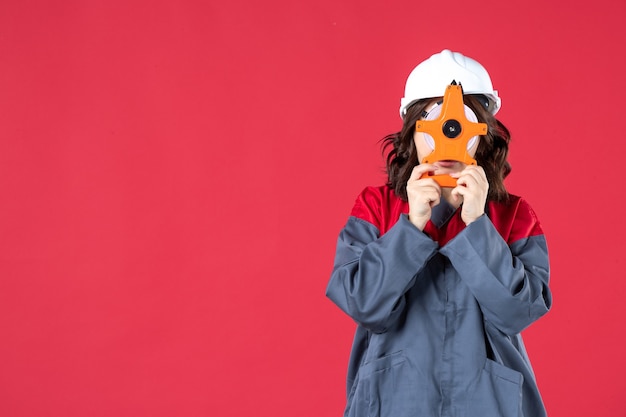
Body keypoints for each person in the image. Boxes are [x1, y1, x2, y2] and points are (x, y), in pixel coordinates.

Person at [325, 49, 552, 417]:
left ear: (484, 133)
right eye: (432, 122)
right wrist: (411, 227)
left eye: (461, 123)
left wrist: (478, 224)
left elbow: (518, 312)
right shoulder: (375, 207)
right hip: (393, 400)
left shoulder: (514, 215)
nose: (447, 136)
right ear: (412, 131)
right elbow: (363, 304)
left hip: (488, 403)